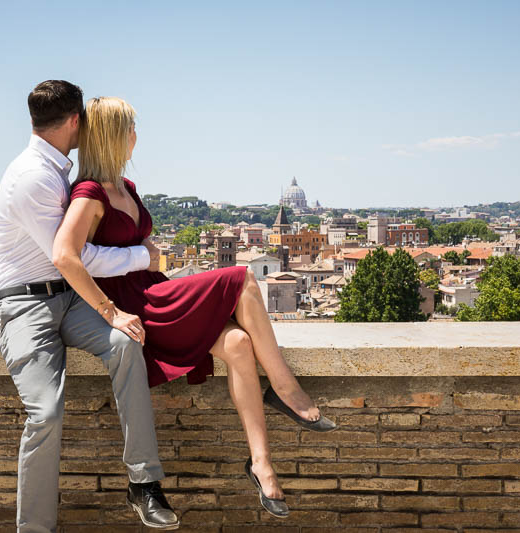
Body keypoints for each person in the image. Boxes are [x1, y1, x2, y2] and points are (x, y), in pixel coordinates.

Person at [52, 96, 337, 519]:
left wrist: (144, 249)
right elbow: (64, 255)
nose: (136, 136)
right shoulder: (89, 192)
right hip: (138, 306)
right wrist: (111, 312)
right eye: (131, 128)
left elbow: (136, 244)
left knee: (239, 343)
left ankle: (261, 464)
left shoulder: (125, 188)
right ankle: (285, 388)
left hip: (154, 290)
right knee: (241, 278)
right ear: (114, 136)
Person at [0, 81, 180, 532]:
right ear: (75, 122)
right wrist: (144, 257)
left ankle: (143, 482)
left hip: (67, 298)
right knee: (46, 412)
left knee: (125, 343)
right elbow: (71, 255)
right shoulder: (34, 176)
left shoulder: (60, 171)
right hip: (22, 306)